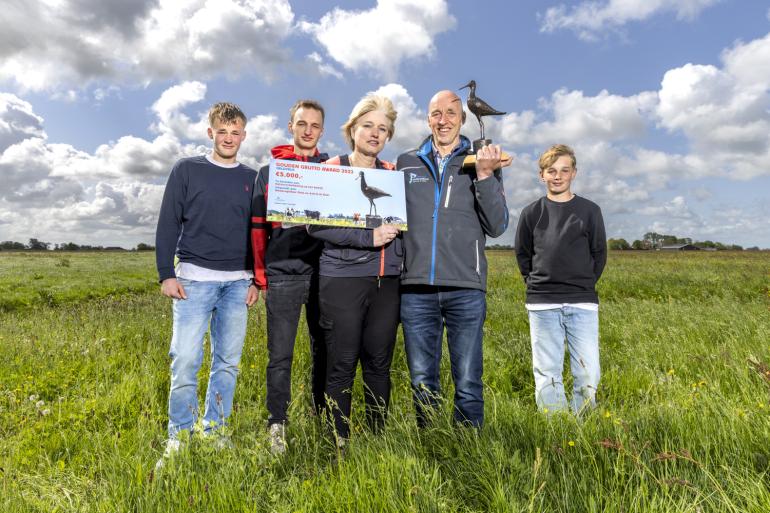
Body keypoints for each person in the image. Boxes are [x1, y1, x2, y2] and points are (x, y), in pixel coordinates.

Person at [397, 90, 510, 428]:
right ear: (427, 118)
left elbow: (497, 225)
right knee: (421, 380)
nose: (443, 120)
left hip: (465, 288)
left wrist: (486, 176)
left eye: (450, 113)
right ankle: (431, 444)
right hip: (416, 289)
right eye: (436, 113)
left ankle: (467, 450)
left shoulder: (480, 159)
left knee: (468, 381)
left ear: (462, 118)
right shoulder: (406, 162)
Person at [155, 102, 258, 468]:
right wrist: (166, 272)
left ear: (243, 136)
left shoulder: (252, 177)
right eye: (222, 131)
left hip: (237, 283)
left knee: (227, 363)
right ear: (210, 132)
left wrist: (257, 280)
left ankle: (215, 432)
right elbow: (168, 220)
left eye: (236, 133)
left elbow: (258, 233)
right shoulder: (187, 170)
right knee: (184, 360)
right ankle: (179, 436)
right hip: (193, 281)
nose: (229, 138)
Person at [308, 94, 402, 444]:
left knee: (379, 363)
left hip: (386, 283)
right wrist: (367, 238)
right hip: (342, 280)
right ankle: (338, 440)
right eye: (368, 126)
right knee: (342, 362)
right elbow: (315, 226)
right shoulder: (331, 168)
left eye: (383, 129)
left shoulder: (393, 175)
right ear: (352, 129)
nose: (375, 134)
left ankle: (378, 438)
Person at [251, 99, 329, 454]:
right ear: (291, 126)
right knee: (279, 355)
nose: (308, 130)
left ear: (322, 130)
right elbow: (256, 230)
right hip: (283, 274)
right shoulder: (270, 173)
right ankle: (277, 424)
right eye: (302, 124)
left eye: (314, 125)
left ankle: (322, 414)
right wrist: (260, 276)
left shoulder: (334, 170)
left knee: (324, 350)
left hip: (326, 273)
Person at [515, 144, 607, 414]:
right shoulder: (531, 213)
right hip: (542, 303)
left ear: (574, 173)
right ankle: (556, 433)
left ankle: (583, 430)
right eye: (551, 171)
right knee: (547, 373)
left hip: (582, 302)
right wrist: (536, 283)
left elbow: (598, 253)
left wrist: (584, 282)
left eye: (564, 170)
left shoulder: (590, 211)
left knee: (588, 372)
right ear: (541, 175)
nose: (558, 176)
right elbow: (523, 254)